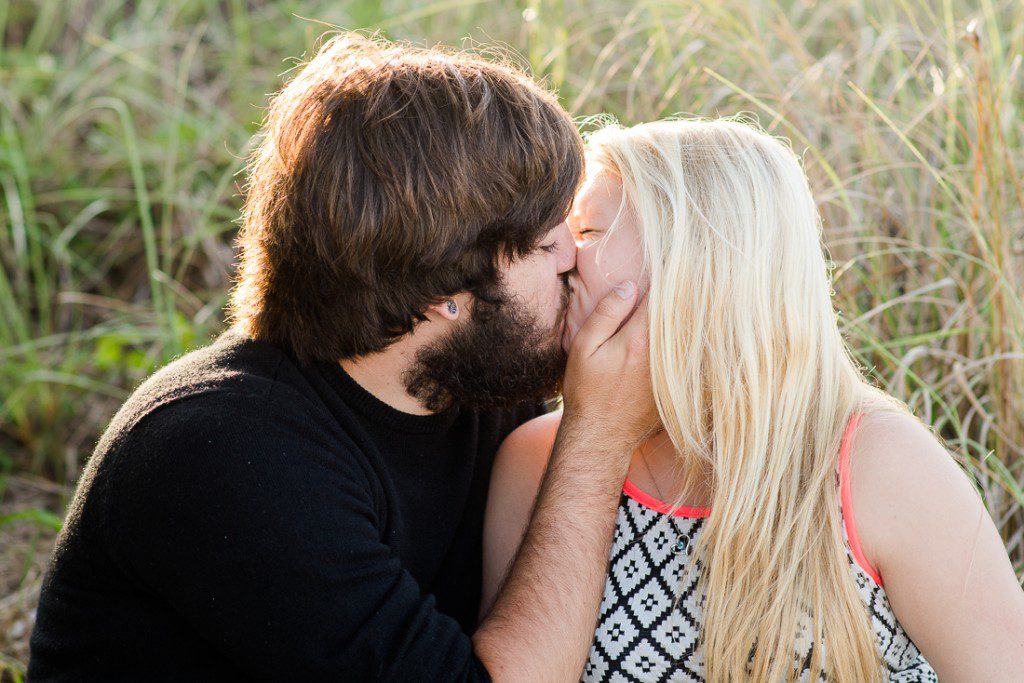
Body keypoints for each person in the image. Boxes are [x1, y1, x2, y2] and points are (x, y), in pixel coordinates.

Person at [28, 34, 656, 681]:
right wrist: (597, 435)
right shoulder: (225, 454)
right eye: (551, 242)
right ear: (446, 292)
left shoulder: (480, 382)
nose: (576, 263)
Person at [483, 118, 1024, 682]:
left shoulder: (876, 465)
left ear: (696, 260)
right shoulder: (537, 461)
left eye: (588, 232)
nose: (562, 257)